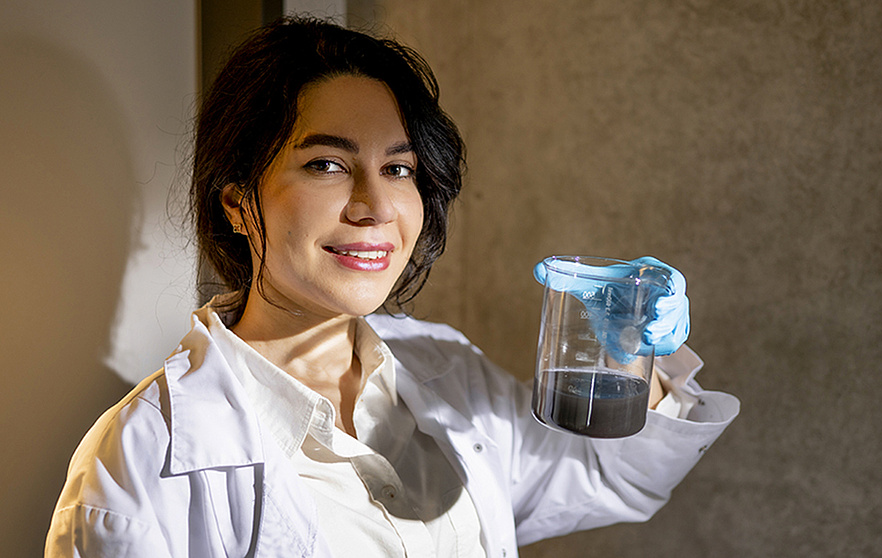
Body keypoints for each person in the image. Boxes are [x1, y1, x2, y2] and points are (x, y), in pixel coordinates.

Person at [45, 16, 739, 558]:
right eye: (325, 164)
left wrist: (626, 356)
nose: (375, 206)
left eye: (400, 169)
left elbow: (611, 478)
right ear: (236, 201)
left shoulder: (446, 372)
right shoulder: (140, 462)